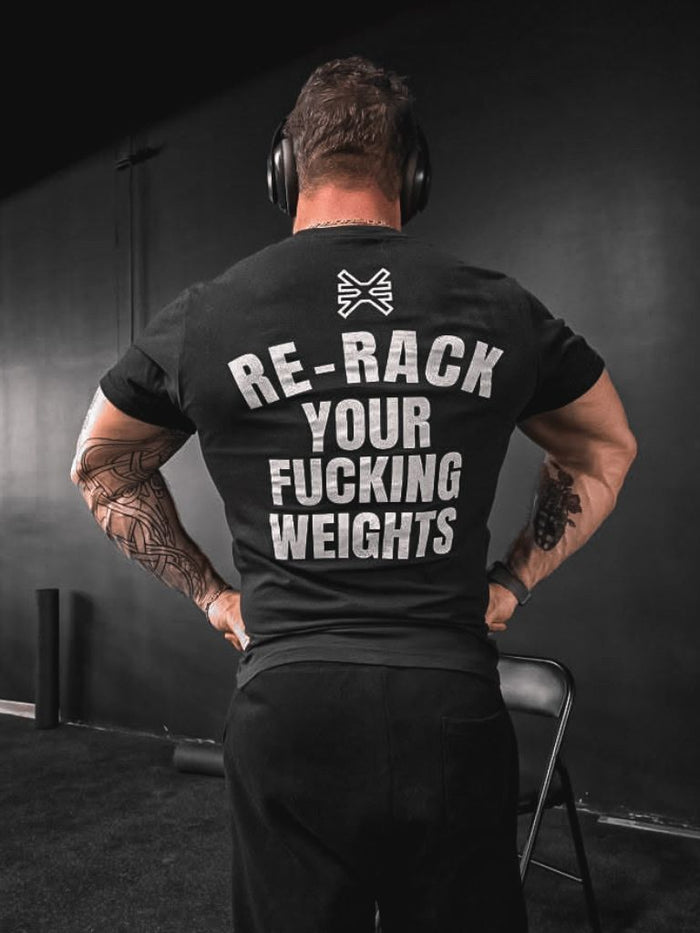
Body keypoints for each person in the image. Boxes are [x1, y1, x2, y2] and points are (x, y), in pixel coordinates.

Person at [70, 55, 637, 933]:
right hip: (448, 706)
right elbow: (605, 445)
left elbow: (100, 464)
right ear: (413, 172)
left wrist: (213, 595)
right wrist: (513, 580)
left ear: (283, 171)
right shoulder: (499, 308)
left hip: (288, 706)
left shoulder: (207, 316)